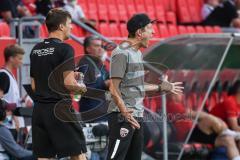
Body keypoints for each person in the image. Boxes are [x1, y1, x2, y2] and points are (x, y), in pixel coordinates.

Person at [107, 13, 183, 160]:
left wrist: (161, 87)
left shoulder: (137, 54)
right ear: (139, 33)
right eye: (150, 29)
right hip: (122, 116)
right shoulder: (121, 52)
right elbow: (113, 87)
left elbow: (136, 86)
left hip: (136, 115)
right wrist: (124, 113)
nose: (153, 32)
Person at [30, 8, 87, 159]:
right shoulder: (65, 49)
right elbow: (69, 84)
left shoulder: (35, 50)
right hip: (60, 110)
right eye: (69, 23)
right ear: (61, 26)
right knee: (78, 154)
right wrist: (81, 88)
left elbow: (35, 86)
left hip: (39, 111)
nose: (72, 27)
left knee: (44, 156)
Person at [167, 93, 240, 160]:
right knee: (209, 119)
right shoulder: (172, 105)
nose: (181, 94)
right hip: (187, 135)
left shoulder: (180, 104)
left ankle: (229, 135)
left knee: (228, 140)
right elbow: (191, 114)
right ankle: (229, 132)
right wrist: (205, 115)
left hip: (194, 131)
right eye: (177, 92)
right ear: (171, 95)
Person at [77, 35, 109, 160]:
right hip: (92, 117)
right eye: (97, 46)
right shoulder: (84, 64)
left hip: (104, 116)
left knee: (105, 153)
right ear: (88, 49)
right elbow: (83, 89)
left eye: (101, 46)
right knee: (94, 155)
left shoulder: (100, 64)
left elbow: (109, 80)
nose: (100, 49)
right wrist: (104, 84)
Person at [0, 44, 26, 142]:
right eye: (19, 58)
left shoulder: (9, 75)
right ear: (11, 58)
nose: (21, 62)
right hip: (7, 125)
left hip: (12, 125)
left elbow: (8, 99)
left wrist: (21, 100)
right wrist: (14, 116)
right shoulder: (3, 75)